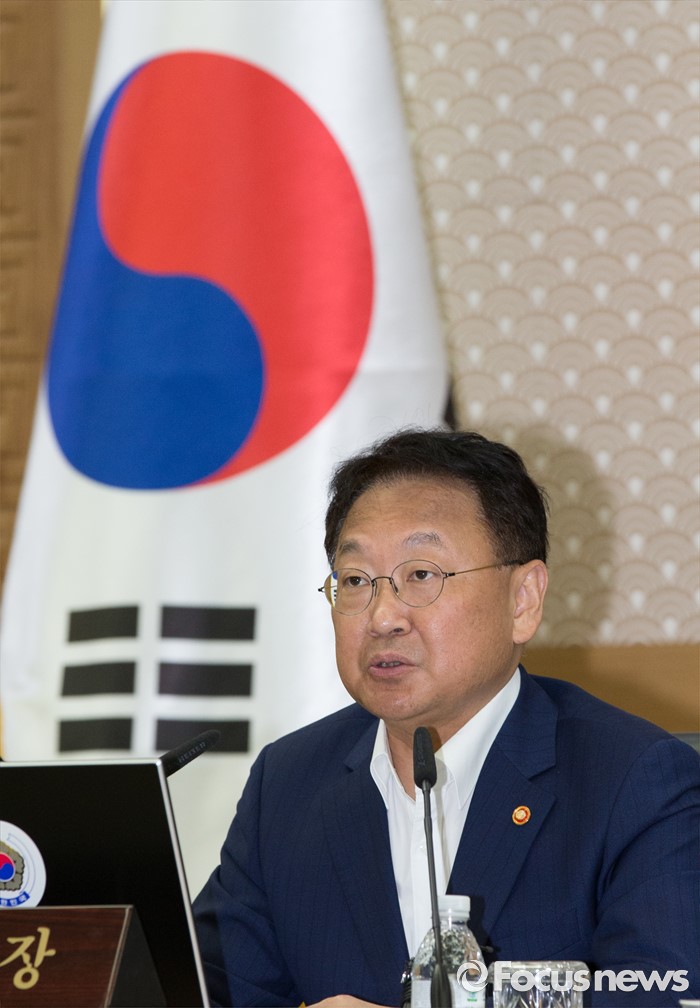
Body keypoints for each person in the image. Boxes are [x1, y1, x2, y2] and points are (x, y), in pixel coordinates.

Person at [193, 428, 700, 1008]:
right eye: (355, 581)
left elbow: (663, 995)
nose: (383, 616)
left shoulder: (637, 784)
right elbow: (199, 988)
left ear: (523, 600)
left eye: (421, 575)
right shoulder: (288, 783)